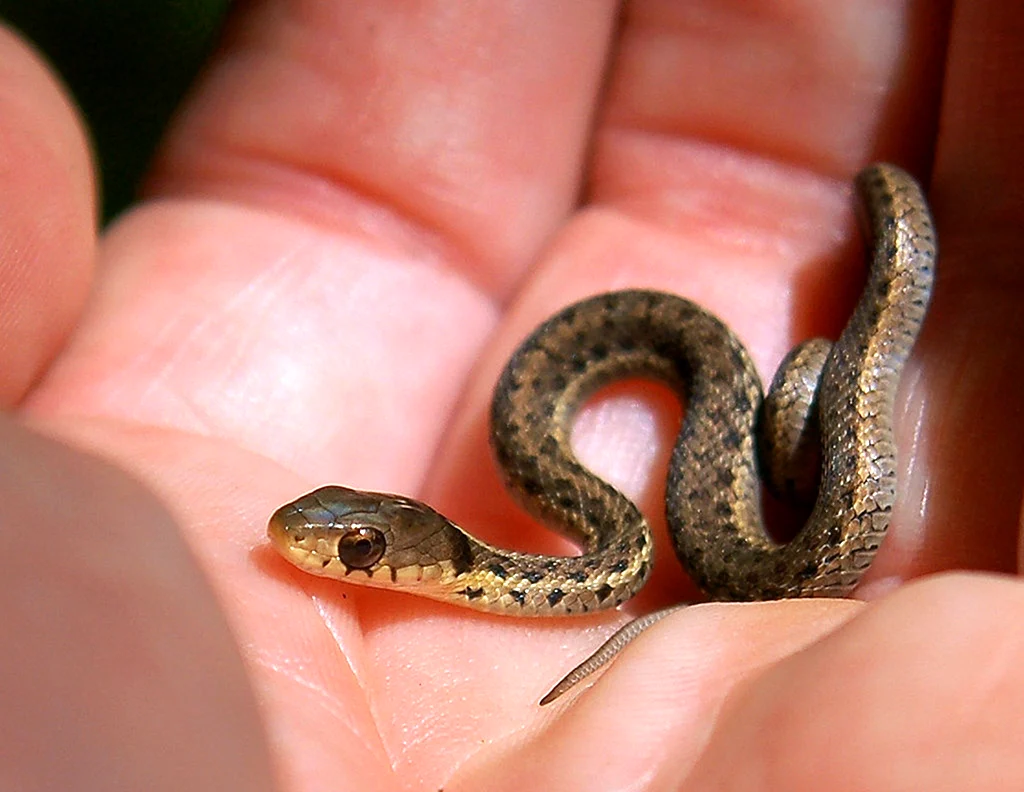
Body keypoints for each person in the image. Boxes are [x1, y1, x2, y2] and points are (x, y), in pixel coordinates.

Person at [1, 3, 1021, 790]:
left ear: (420, 553)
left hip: (768, 490)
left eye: (360, 550)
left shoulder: (615, 545)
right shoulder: (588, 537)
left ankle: (829, 358)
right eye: (357, 543)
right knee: (801, 391)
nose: (333, 553)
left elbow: (627, 562)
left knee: (812, 382)